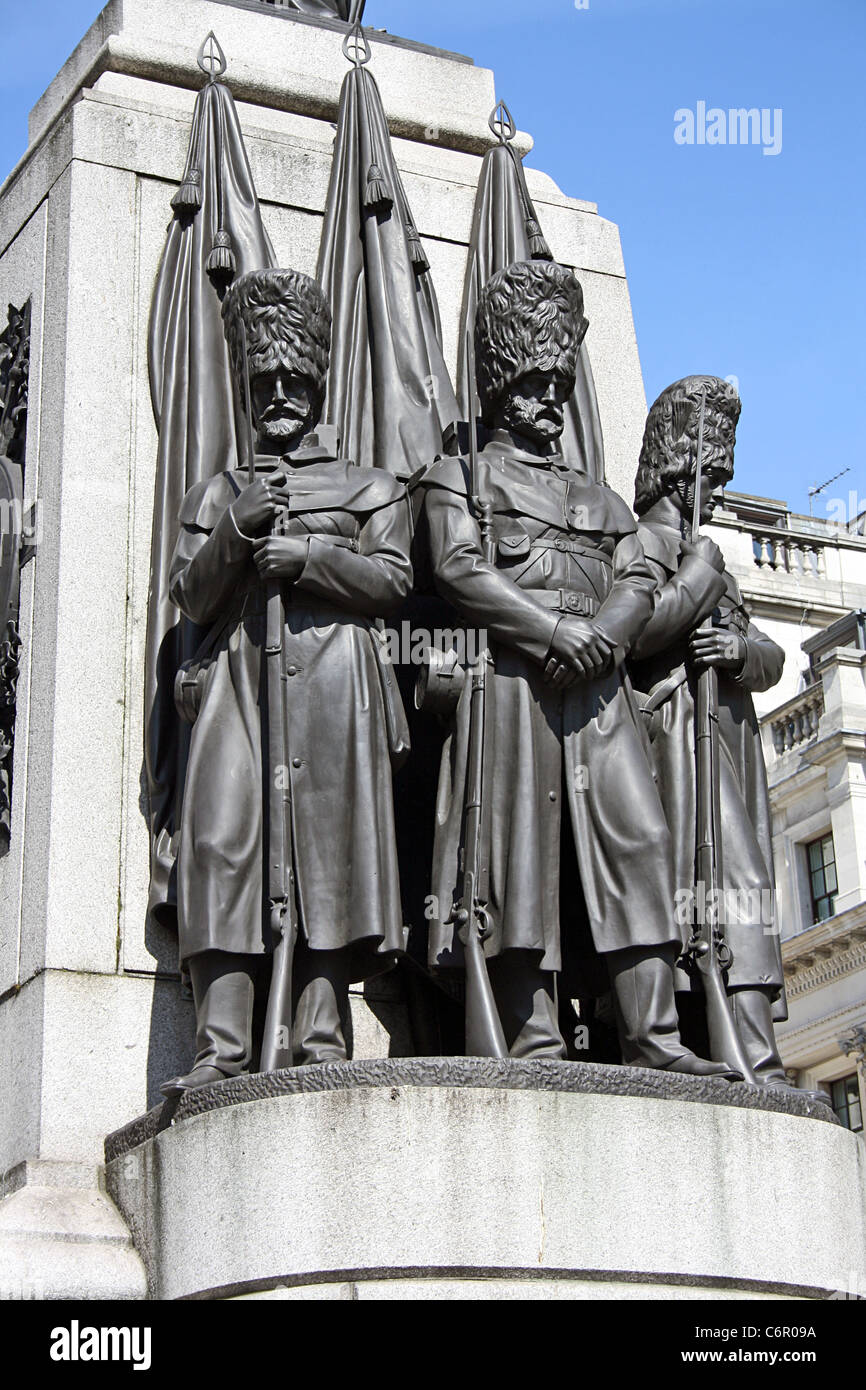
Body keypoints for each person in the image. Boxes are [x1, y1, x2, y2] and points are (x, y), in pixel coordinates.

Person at [417, 261, 735, 1076]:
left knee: (638, 842)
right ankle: (533, 1037)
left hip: (598, 695)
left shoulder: (602, 500)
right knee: (514, 858)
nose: (551, 397)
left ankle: (655, 1037)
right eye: (536, 381)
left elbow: (636, 577)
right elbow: (458, 570)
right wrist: (554, 630)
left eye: (561, 382)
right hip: (516, 687)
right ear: (501, 385)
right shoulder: (459, 479)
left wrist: (602, 636)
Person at [161, 269, 412, 1096]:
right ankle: (222, 1043)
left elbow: (396, 581)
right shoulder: (220, 494)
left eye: (291, 380)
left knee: (328, 850)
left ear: (314, 381)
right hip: (237, 681)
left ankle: (321, 1032)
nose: (277, 394)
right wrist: (238, 528)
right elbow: (192, 593)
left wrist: (310, 556)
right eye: (262, 381)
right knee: (220, 841)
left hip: (336, 687)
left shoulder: (368, 485)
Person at [629, 375, 811, 1100]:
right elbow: (634, 633)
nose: (721, 494)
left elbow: (770, 657)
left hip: (728, 752)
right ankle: (717, 1051)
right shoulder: (641, 542)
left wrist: (737, 652)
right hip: (675, 746)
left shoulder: (717, 560)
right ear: (679, 470)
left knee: (744, 896)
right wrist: (696, 579)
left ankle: (758, 1061)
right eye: (710, 477)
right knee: (699, 899)